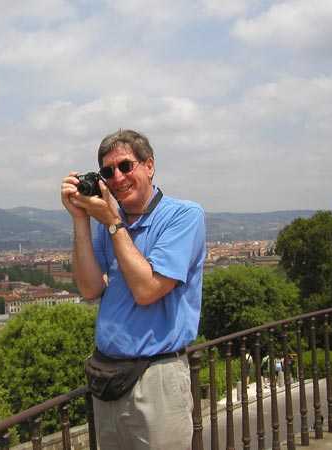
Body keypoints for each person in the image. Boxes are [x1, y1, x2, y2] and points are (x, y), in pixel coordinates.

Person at [60, 129, 206, 449]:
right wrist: (81, 220)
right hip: (107, 377)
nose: (118, 177)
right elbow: (89, 288)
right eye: (108, 172)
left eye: (126, 166)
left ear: (149, 166)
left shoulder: (183, 216)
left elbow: (147, 289)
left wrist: (113, 222)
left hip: (157, 379)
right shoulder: (109, 224)